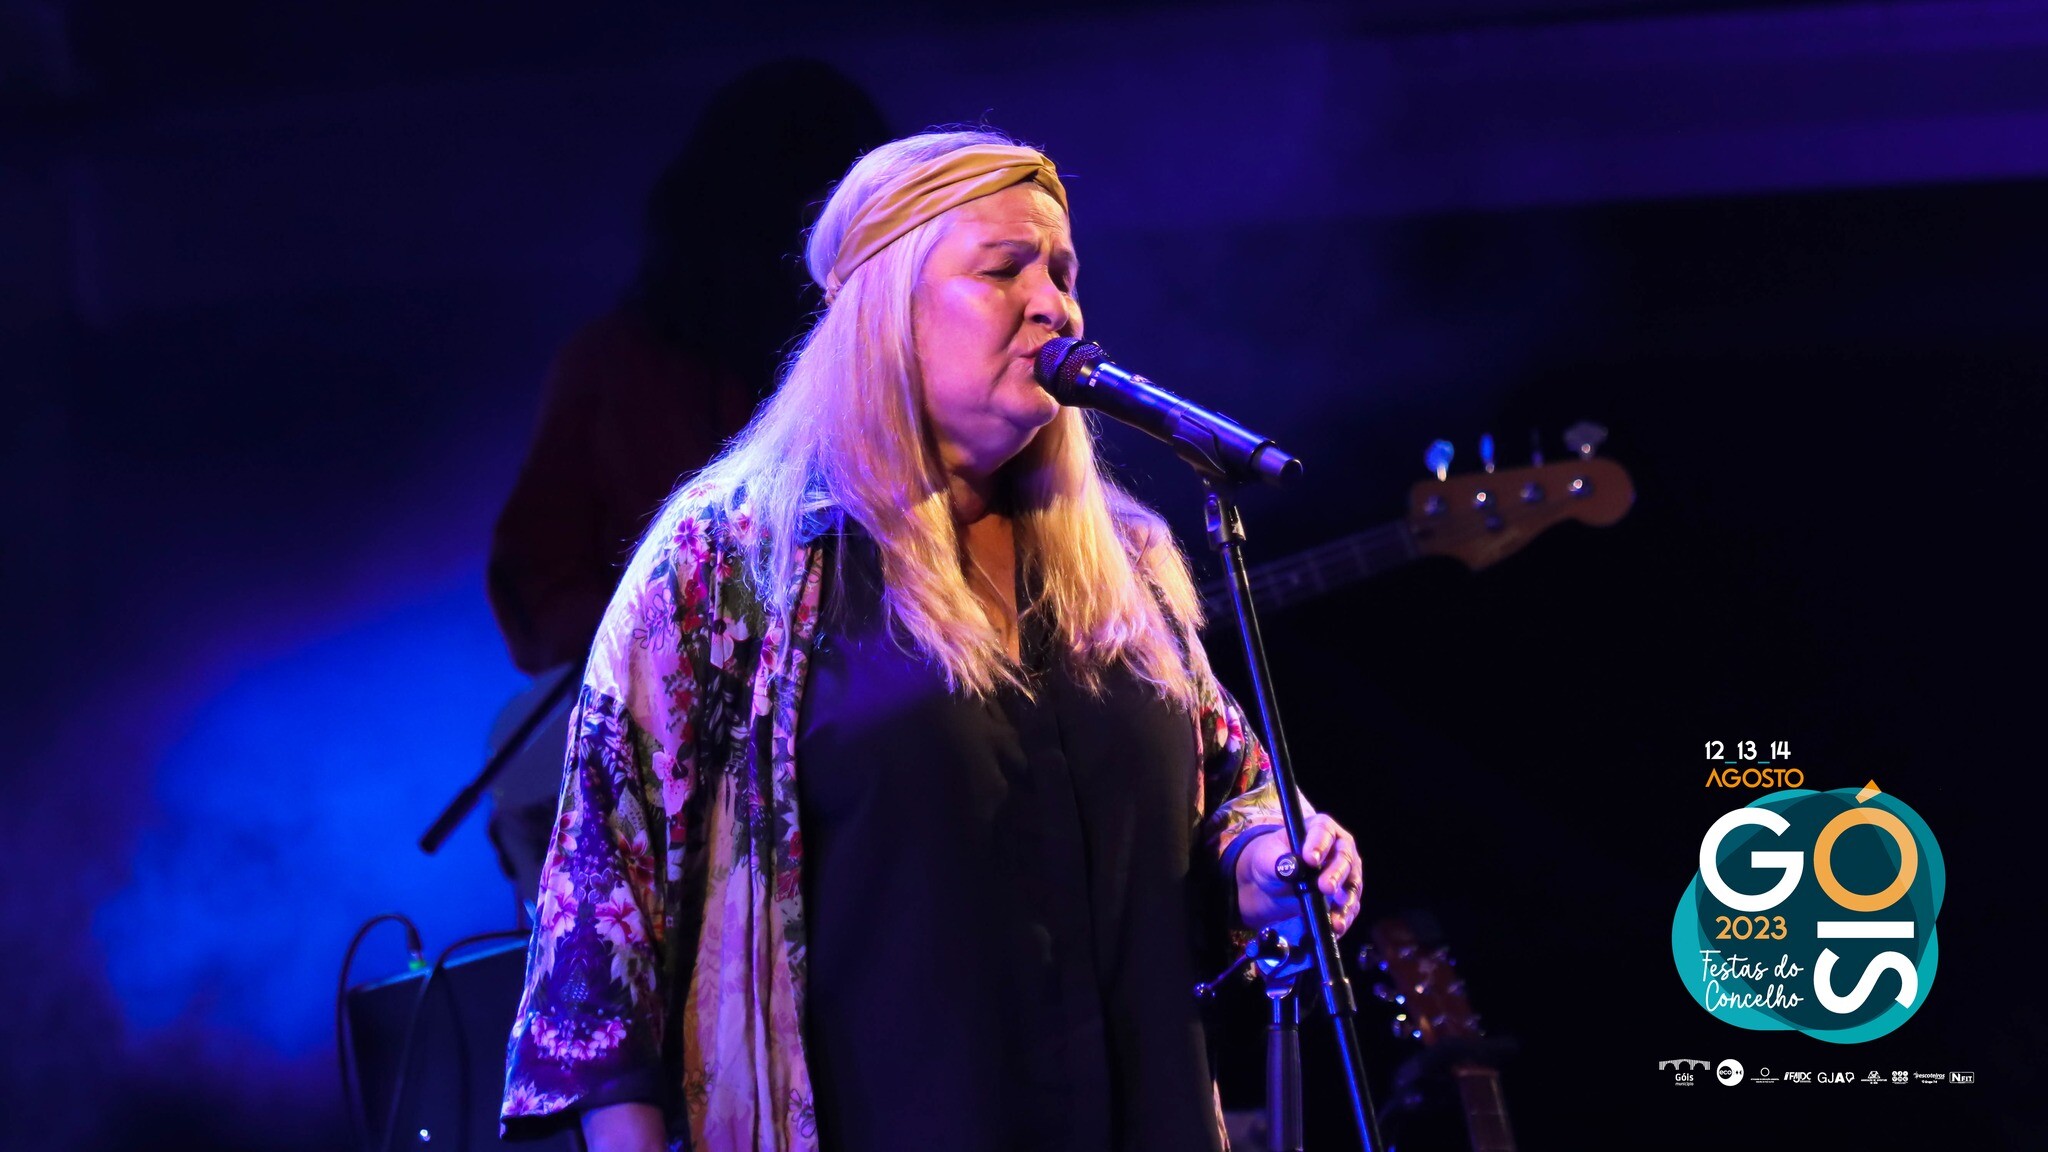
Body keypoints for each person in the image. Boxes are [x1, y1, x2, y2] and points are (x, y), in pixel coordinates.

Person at [499, 128, 1364, 1152]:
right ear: (886, 312)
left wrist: (1270, 856)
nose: (1053, 305)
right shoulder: (730, 559)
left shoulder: (1122, 564)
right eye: (1003, 270)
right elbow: (605, 929)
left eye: (1063, 274)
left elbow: (1233, 792)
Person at [481, 62, 889, 909]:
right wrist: (671, 640)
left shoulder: (883, 371)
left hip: (858, 744)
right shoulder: (616, 365)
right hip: (670, 758)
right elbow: (533, 582)